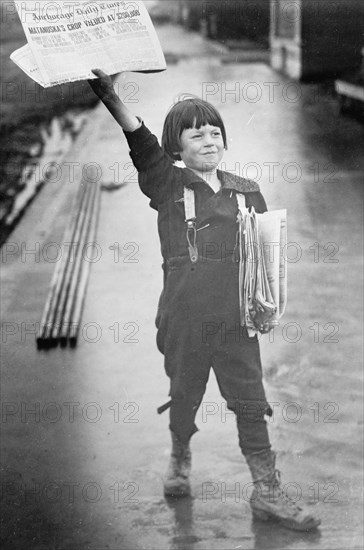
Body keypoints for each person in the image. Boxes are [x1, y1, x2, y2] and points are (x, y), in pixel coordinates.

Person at [88, 69, 321, 532]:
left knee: (251, 402)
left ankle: (267, 492)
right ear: (177, 147)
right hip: (184, 319)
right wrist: (112, 98)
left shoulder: (247, 190)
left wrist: (266, 303)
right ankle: (180, 456)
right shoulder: (168, 185)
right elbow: (141, 143)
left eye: (216, 132)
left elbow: (265, 257)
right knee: (184, 395)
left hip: (236, 322)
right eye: (197, 134)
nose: (209, 140)